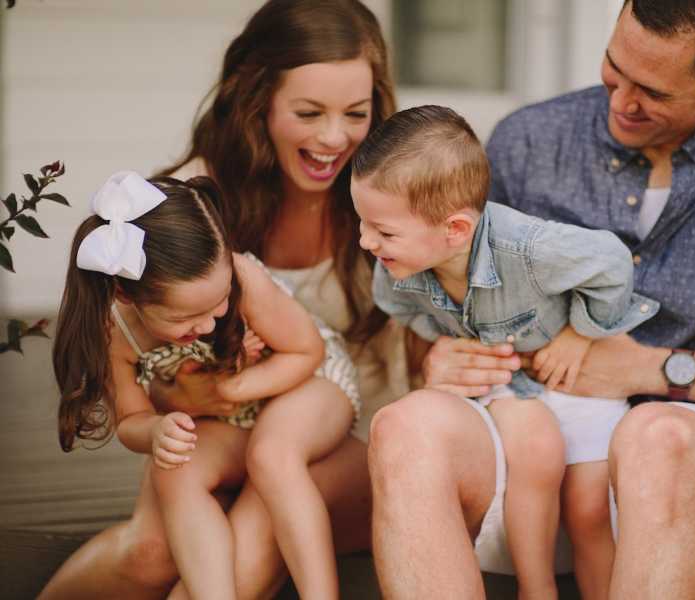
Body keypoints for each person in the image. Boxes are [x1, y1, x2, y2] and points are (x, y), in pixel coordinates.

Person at [367, 1, 695, 599]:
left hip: (694, 480)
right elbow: (434, 279)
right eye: (614, 67)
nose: (620, 101)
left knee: (656, 437)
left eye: (654, 92)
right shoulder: (529, 140)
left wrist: (656, 369)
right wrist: (443, 355)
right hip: (530, 464)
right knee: (405, 426)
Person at [38, 1, 404, 598]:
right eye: (308, 112)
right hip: (223, 428)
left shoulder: (389, 185)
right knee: (153, 551)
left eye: (356, 113)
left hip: (345, 432)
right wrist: (183, 397)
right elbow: (147, 348)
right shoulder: (195, 202)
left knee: (252, 540)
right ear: (257, 101)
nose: (334, 137)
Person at [351, 105, 658, 598]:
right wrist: (450, 344)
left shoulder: (529, 248)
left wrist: (580, 333)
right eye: (364, 223)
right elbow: (399, 308)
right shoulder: (397, 268)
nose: (366, 241)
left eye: (383, 232)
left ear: (454, 230)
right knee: (536, 449)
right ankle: (536, 589)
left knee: (589, 508)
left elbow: (613, 263)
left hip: (574, 376)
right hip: (508, 376)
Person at [54, 172, 360, 599]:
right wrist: (156, 431)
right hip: (228, 414)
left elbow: (305, 352)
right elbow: (131, 419)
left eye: (220, 302)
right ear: (126, 295)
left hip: (306, 385)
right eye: (185, 318)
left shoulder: (241, 276)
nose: (210, 322)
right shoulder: (114, 331)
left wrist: (235, 388)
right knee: (176, 470)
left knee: (273, 454)